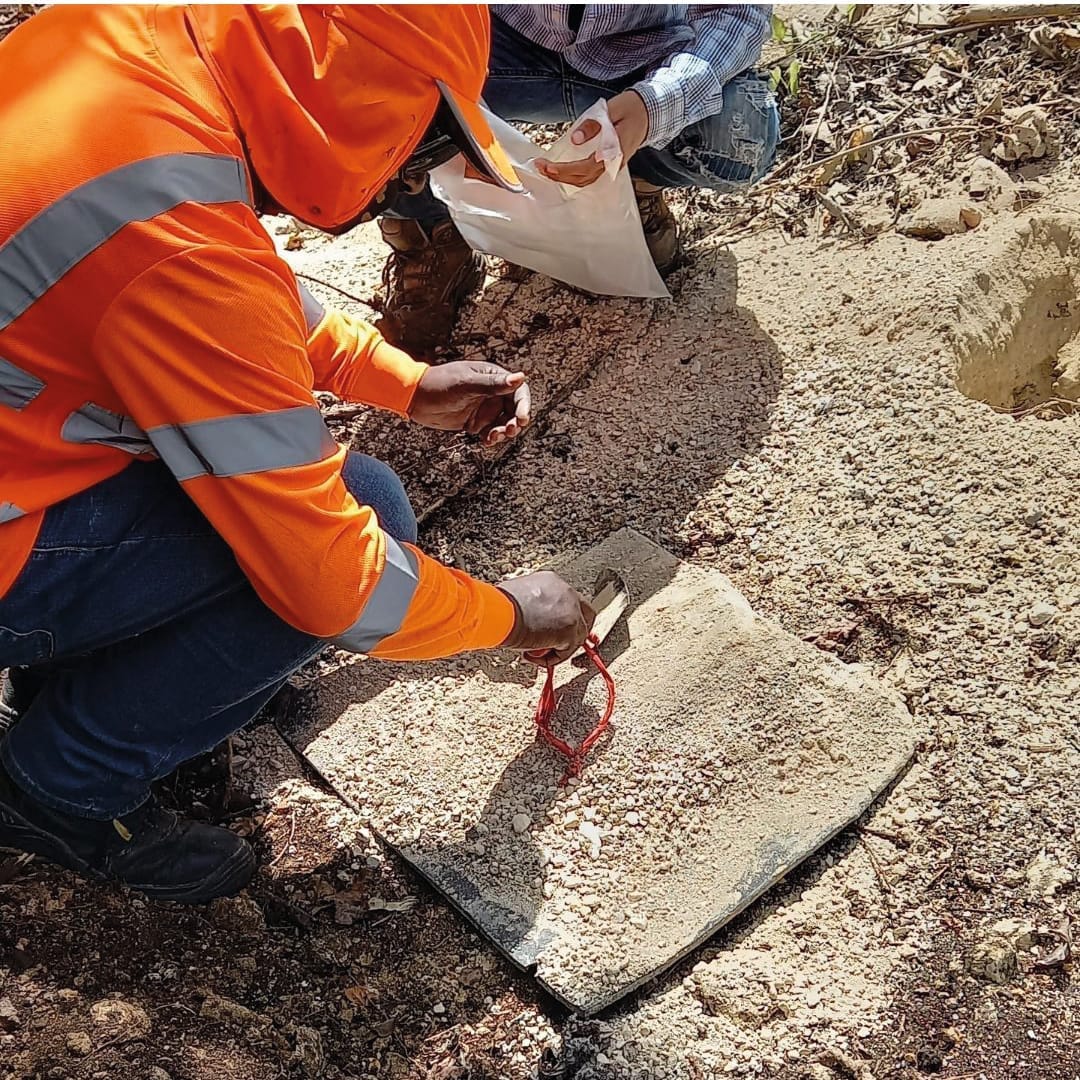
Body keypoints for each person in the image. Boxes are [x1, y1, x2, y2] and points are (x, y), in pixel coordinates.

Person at [0, 4, 594, 904]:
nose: (408, 174)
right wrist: (513, 615)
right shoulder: (173, 237)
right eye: (421, 141)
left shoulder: (139, 40)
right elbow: (335, 583)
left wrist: (398, 378)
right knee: (362, 518)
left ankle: (87, 674)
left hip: (27, 443)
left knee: (310, 519)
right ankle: (60, 784)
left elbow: (208, 281)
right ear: (361, 95)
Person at [378, 4, 780, 355]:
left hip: (646, 47)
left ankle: (633, 182)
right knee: (369, 90)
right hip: (490, 38)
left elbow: (739, 13)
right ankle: (430, 233)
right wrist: (444, 122)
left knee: (739, 132)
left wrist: (652, 107)